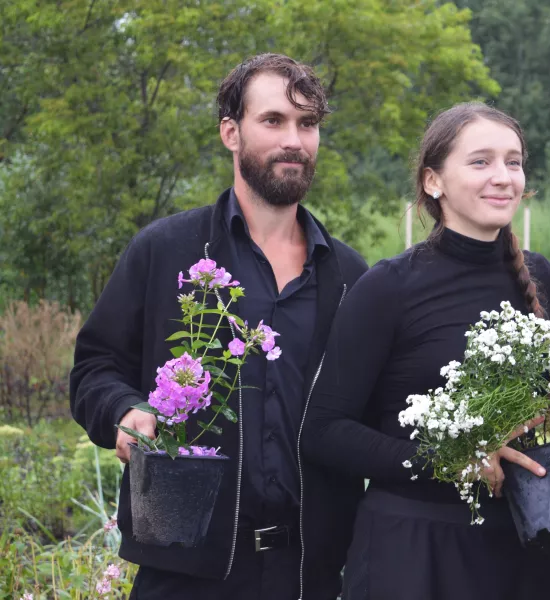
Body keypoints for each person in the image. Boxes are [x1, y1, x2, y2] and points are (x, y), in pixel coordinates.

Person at [70, 53, 368, 600]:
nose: (295, 141)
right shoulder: (166, 251)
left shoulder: (348, 275)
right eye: (274, 120)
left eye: (308, 124)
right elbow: (94, 368)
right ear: (231, 133)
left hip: (312, 574)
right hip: (185, 566)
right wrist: (125, 411)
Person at [299, 102, 550, 600]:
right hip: (412, 553)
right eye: (480, 161)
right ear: (433, 181)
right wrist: (450, 461)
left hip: (522, 548)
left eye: (513, 162)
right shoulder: (387, 287)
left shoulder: (541, 280)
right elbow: (323, 432)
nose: (503, 177)